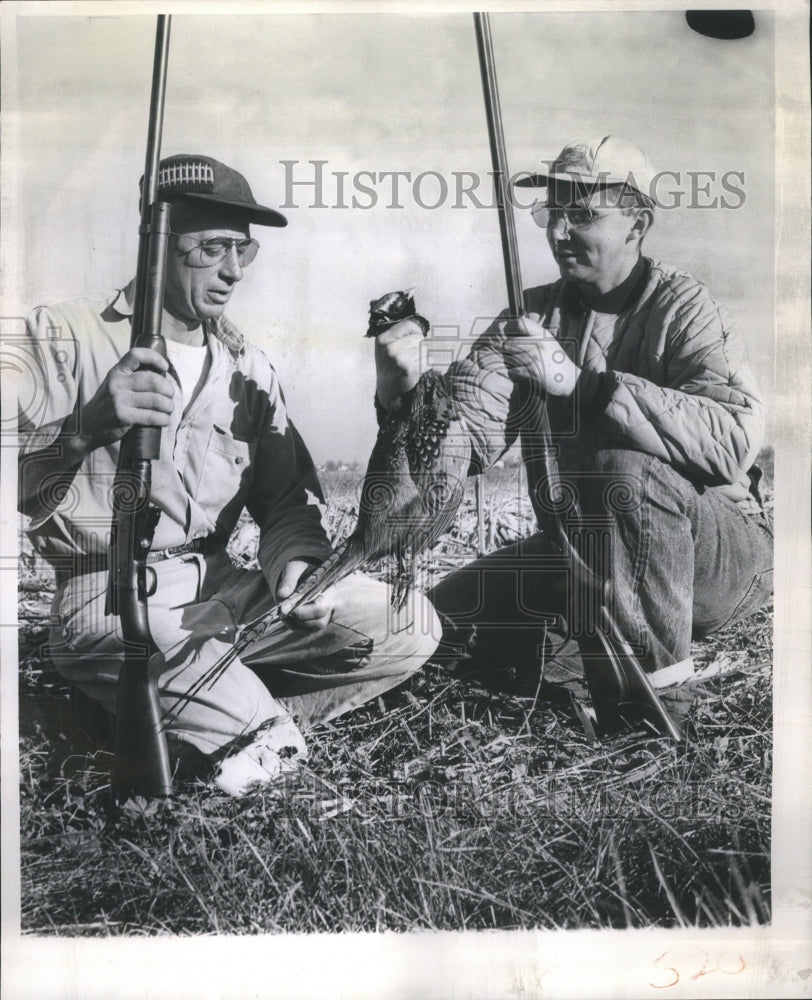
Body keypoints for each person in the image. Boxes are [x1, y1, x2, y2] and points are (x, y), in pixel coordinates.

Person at [18, 154, 440, 795]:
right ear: (157, 242)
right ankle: (244, 733)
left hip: (227, 592)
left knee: (411, 624)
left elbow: (290, 503)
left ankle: (192, 727)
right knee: (273, 759)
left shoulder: (249, 371)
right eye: (214, 248)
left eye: (244, 251)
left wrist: (296, 567)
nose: (234, 271)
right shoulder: (62, 336)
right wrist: (89, 426)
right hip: (111, 600)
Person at [374, 135, 772, 725]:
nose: (559, 231)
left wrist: (584, 386)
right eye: (551, 212)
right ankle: (571, 658)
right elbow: (462, 442)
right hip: (581, 557)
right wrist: (404, 394)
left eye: (582, 213)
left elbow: (732, 442)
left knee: (624, 471)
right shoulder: (528, 319)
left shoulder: (687, 306)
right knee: (430, 634)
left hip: (718, 564)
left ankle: (653, 711)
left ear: (637, 224)